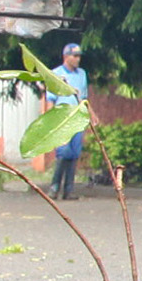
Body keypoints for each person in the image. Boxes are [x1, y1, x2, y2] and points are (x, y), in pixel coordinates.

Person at [46, 44, 89, 200]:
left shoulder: (82, 74)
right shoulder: (56, 74)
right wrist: (50, 122)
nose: (78, 59)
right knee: (63, 153)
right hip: (61, 119)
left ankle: (69, 190)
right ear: (66, 57)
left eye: (79, 56)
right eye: (74, 56)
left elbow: (84, 98)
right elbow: (50, 100)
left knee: (74, 154)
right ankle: (54, 187)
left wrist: (90, 116)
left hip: (77, 118)